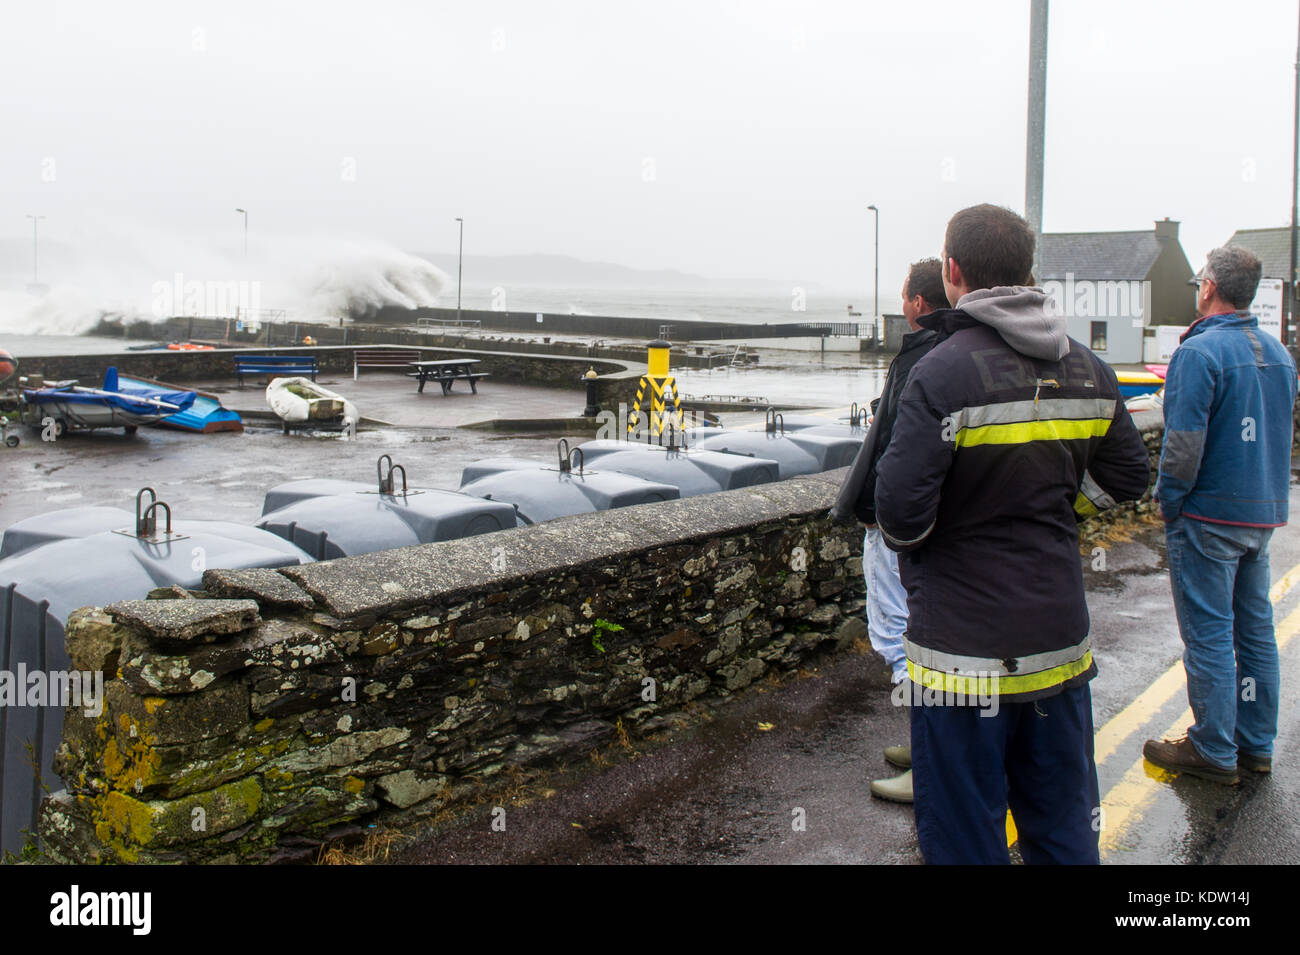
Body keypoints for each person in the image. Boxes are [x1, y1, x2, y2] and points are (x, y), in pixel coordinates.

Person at [874, 204, 1150, 864]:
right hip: (1059, 647)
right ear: (1028, 272)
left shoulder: (939, 372)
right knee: (1062, 829)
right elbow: (1132, 476)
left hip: (961, 660)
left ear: (953, 272)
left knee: (965, 833)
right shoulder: (1088, 367)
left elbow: (899, 515)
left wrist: (954, 530)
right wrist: (1064, 512)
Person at [1143, 247, 1297, 784]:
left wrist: (1169, 500)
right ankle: (1256, 744)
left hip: (1208, 517)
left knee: (1208, 633)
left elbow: (1182, 445)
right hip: (1262, 515)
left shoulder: (1199, 353)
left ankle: (1212, 748)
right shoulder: (1280, 354)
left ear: (1208, 288)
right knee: (1255, 632)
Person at [831, 258, 946, 803]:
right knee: (918, 635)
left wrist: (877, 513)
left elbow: (899, 449)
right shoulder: (951, 354)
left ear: (918, 303)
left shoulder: (922, 359)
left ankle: (931, 762)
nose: (901, 304)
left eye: (904, 295)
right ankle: (926, 744)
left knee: (901, 636)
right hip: (930, 528)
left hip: (899, 528)